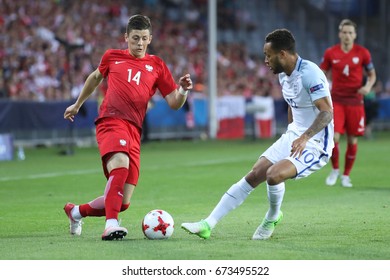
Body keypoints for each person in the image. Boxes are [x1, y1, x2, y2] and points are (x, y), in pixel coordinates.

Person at [181, 29, 334, 240]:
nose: (265, 60)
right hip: (295, 135)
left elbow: (326, 112)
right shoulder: (283, 75)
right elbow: (293, 104)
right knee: (254, 174)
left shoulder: (311, 73)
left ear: (282, 54)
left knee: (273, 175)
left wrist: (305, 137)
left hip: (316, 143)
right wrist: (291, 132)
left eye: (268, 55)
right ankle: (208, 224)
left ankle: (272, 218)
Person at [63, 15, 193, 240]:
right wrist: (77, 104)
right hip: (111, 121)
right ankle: (111, 225)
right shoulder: (112, 57)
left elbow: (174, 102)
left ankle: (75, 212)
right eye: (135, 38)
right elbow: (95, 78)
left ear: (150, 38)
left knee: (122, 202)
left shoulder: (157, 65)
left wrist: (182, 90)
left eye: (144, 38)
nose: (139, 43)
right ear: (126, 38)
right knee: (120, 165)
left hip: (134, 131)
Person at [320, 19, 376, 188]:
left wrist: (367, 86)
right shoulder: (331, 53)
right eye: (344, 32)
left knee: (352, 140)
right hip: (336, 100)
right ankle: (335, 170)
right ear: (339, 34)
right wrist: (323, 85)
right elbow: (321, 72)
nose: (347, 35)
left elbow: (372, 74)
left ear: (355, 35)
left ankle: (346, 175)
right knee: (334, 137)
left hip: (355, 102)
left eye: (350, 33)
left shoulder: (363, 53)